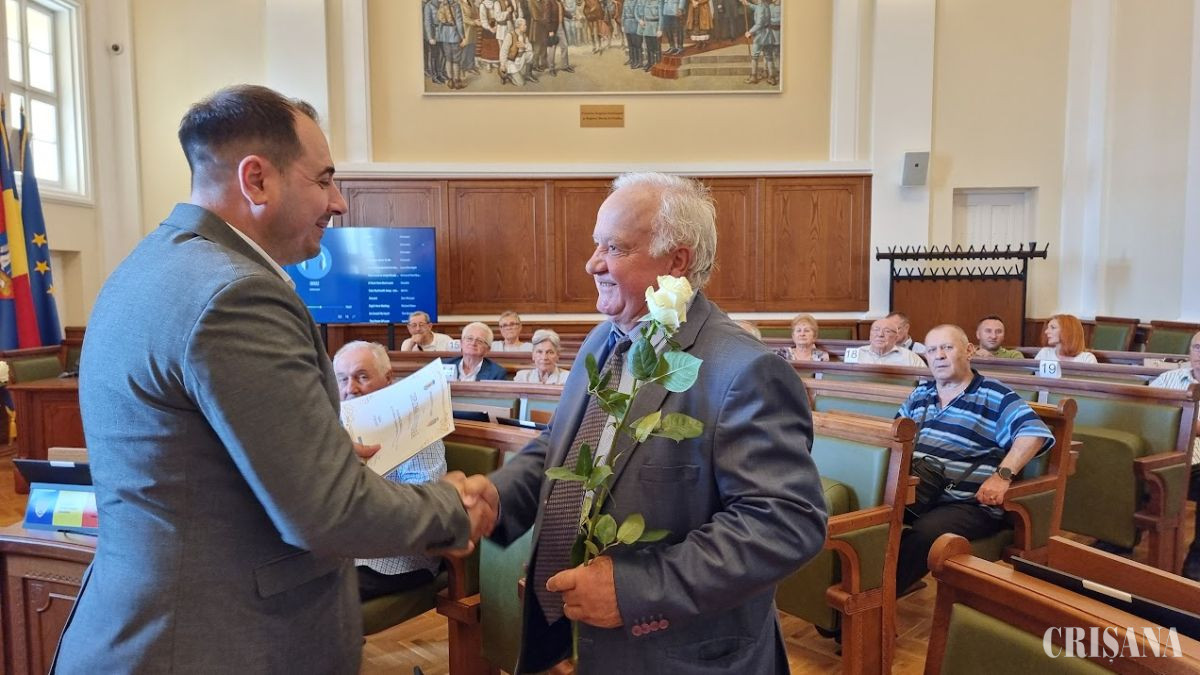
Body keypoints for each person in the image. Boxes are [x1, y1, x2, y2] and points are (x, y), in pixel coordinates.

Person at [52, 85, 497, 673]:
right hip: (212, 644)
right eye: (324, 180)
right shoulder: (237, 295)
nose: (339, 203)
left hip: (149, 626)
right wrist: (451, 508)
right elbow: (329, 513)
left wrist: (314, 452)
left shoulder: (150, 265)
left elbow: (193, 464)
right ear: (257, 180)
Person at [487, 172, 827, 674]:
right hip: (584, 641)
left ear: (677, 261)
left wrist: (636, 589)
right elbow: (566, 445)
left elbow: (785, 522)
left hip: (680, 655)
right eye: (596, 244)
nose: (592, 263)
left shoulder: (744, 370)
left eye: (614, 247)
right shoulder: (603, 340)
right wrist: (498, 496)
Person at [896, 325, 1054, 594]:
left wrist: (1002, 476)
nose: (939, 355)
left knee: (924, 534)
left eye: (947, 347)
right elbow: (895, 436)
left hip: (967, 503)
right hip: (917, 492)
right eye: (932, 350)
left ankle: (876, 599)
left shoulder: (994, 394)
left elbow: (1033, 433)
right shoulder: (920, 394)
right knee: (866, 515)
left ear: (969, 351)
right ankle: (860, 587)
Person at [333, 341, 449, 600]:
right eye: (342, 379)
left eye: (362, 377)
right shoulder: (332, 427)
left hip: (394, 557)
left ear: (388, 378)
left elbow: (425, 506)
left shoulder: (415, 429)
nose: (350, 388)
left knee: (312, 593)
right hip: (339, 548)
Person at [1147, 331, 1200, 580]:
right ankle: (1118, 538)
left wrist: (1179, 422)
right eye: (1197, 347)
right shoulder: (1169, 378)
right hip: (1160, 450)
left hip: (1196, 459)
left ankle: (1197, 557)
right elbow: (1143, 409)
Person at [855, 318, 926, 366]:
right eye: (876, 330)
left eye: (887, 331)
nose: (880, 334)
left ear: (896, 338)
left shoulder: (910, 357)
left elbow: (925, 382)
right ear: (870, 335)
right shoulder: (856, 354)